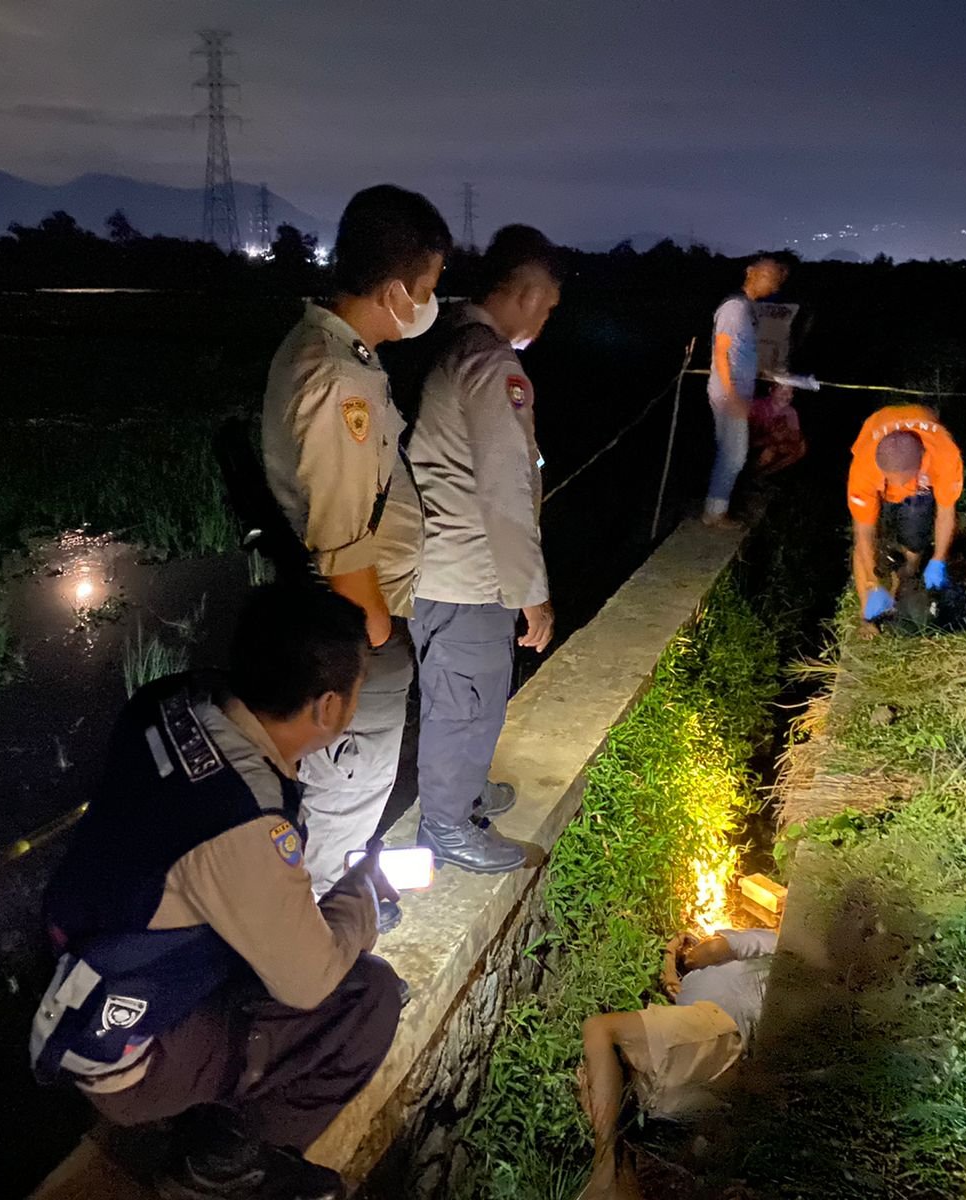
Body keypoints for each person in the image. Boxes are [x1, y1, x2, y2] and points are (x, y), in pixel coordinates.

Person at [29, 584, 403, 1200]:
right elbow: (310, 982)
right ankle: (223, 1165)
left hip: (85, 960)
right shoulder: (242, 821)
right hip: (126, 1055)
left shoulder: (167, 700)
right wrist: (364, 894)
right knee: (369, 999)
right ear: (330, 707)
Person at [261, 184, 453, 915]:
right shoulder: (339, 378)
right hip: (351, 632)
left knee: (342, 789)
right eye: (430, 286)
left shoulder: (330, 349)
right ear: (399, 287)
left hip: (343, 623)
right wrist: (377, 645)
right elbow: (345, 551)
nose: (433, 302)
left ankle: (338, 892)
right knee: (344, 787)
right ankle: (312, 944)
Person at [405, 225, 565, 874]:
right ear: (524, 293)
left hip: (443, 564)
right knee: (463, 704)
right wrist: (535, 594)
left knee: (470, 695)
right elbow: (505, 491)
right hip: (465, 572)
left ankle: (464, 793)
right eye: (548, 306)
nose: (547, 319)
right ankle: (446, 825)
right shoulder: (494, 366)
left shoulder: (451, 344)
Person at [577, 927, 779, 1200]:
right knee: (607, 1089)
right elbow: (672, 985)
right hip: (703, 1040)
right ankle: (622, 1185)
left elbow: (711, 952)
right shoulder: (702, 986)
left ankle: (604, 1169)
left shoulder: (773, 939)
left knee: (599, 1030)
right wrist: (669, 957)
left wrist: (687, 947)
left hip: (717, 1026)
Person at [847, 404, 965, 638]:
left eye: (903, 481)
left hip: (920, 481)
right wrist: (872, 580)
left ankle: (905, 577)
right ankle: (867, 618)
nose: (898, 488)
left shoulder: (944, 454)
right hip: (879, 439)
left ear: (922, 460)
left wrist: (939, 559)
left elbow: (945, 512)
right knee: (868, 547)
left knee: (915, 526)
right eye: (892, 481)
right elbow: (863, 531)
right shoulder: (864, 467)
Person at [703, 255, 790, 529]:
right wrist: (732, 396)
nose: (773, 285)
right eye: (770, 277)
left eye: (777, 280)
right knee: (735, 453)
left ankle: (716, 507)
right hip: (729, 394)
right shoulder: (735, 308)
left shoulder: (748, 309)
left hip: (736, 392)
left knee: (729, 451)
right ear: (750, 273)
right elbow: (720, 352)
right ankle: (714, 512)